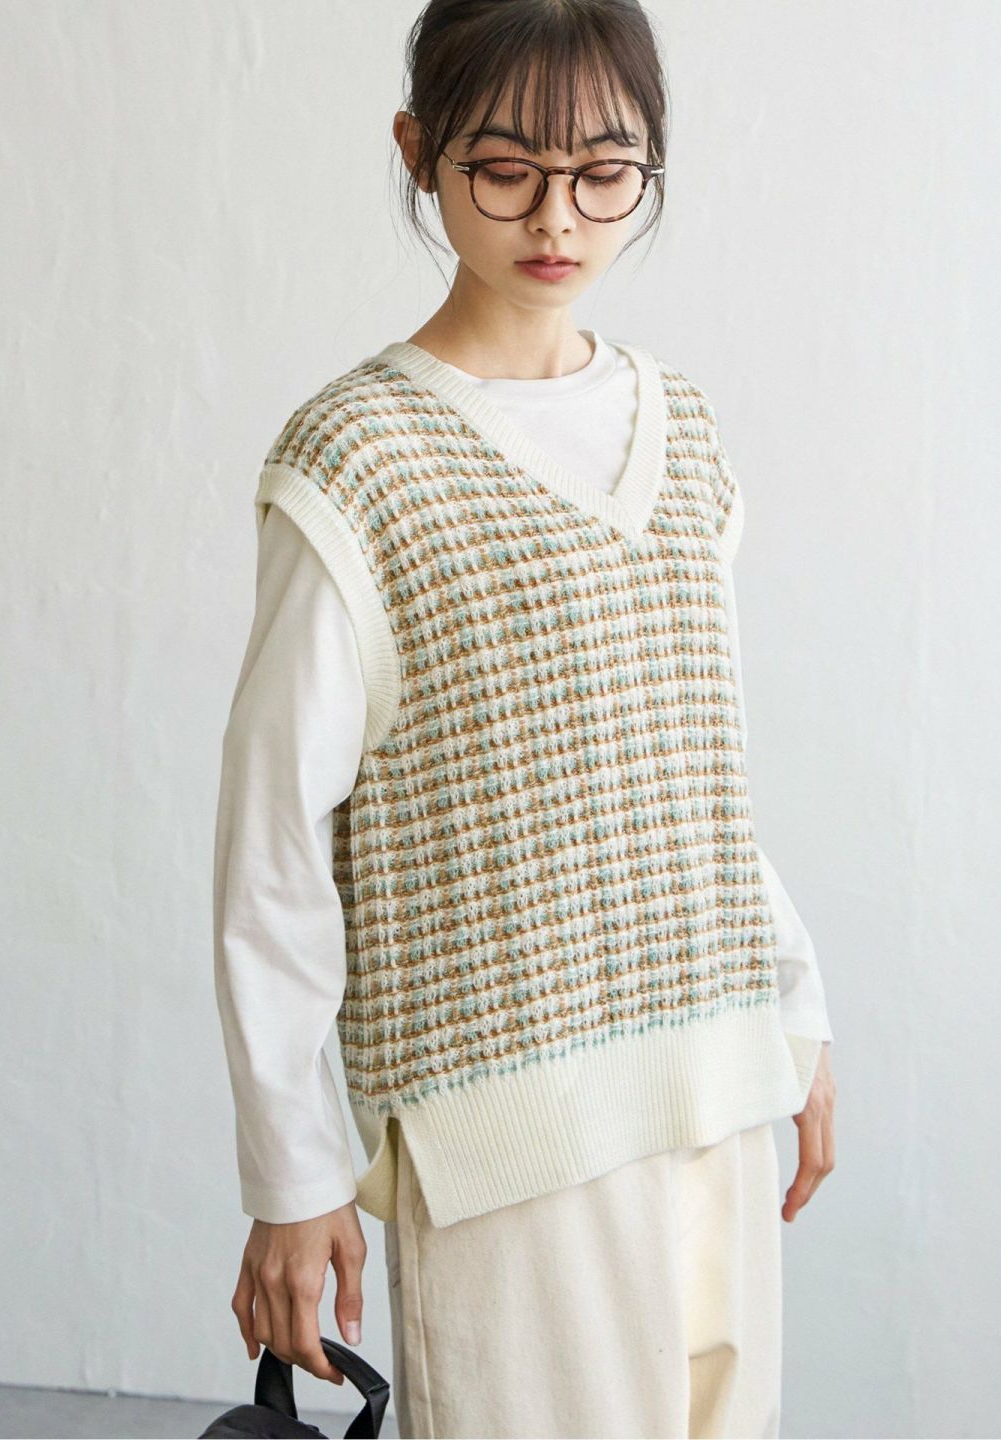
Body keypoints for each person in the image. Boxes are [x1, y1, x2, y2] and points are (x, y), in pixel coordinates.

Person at [212, 2, 837, 1435]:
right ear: (417, 150)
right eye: (505, 169)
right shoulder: (358, 459)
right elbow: (271, 844)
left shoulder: (686, 431)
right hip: (506, 1144)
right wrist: (293, 1174)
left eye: (605, 171)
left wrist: (794, 1013)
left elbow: (701, 772)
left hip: (719, 1088)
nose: (558, 217)